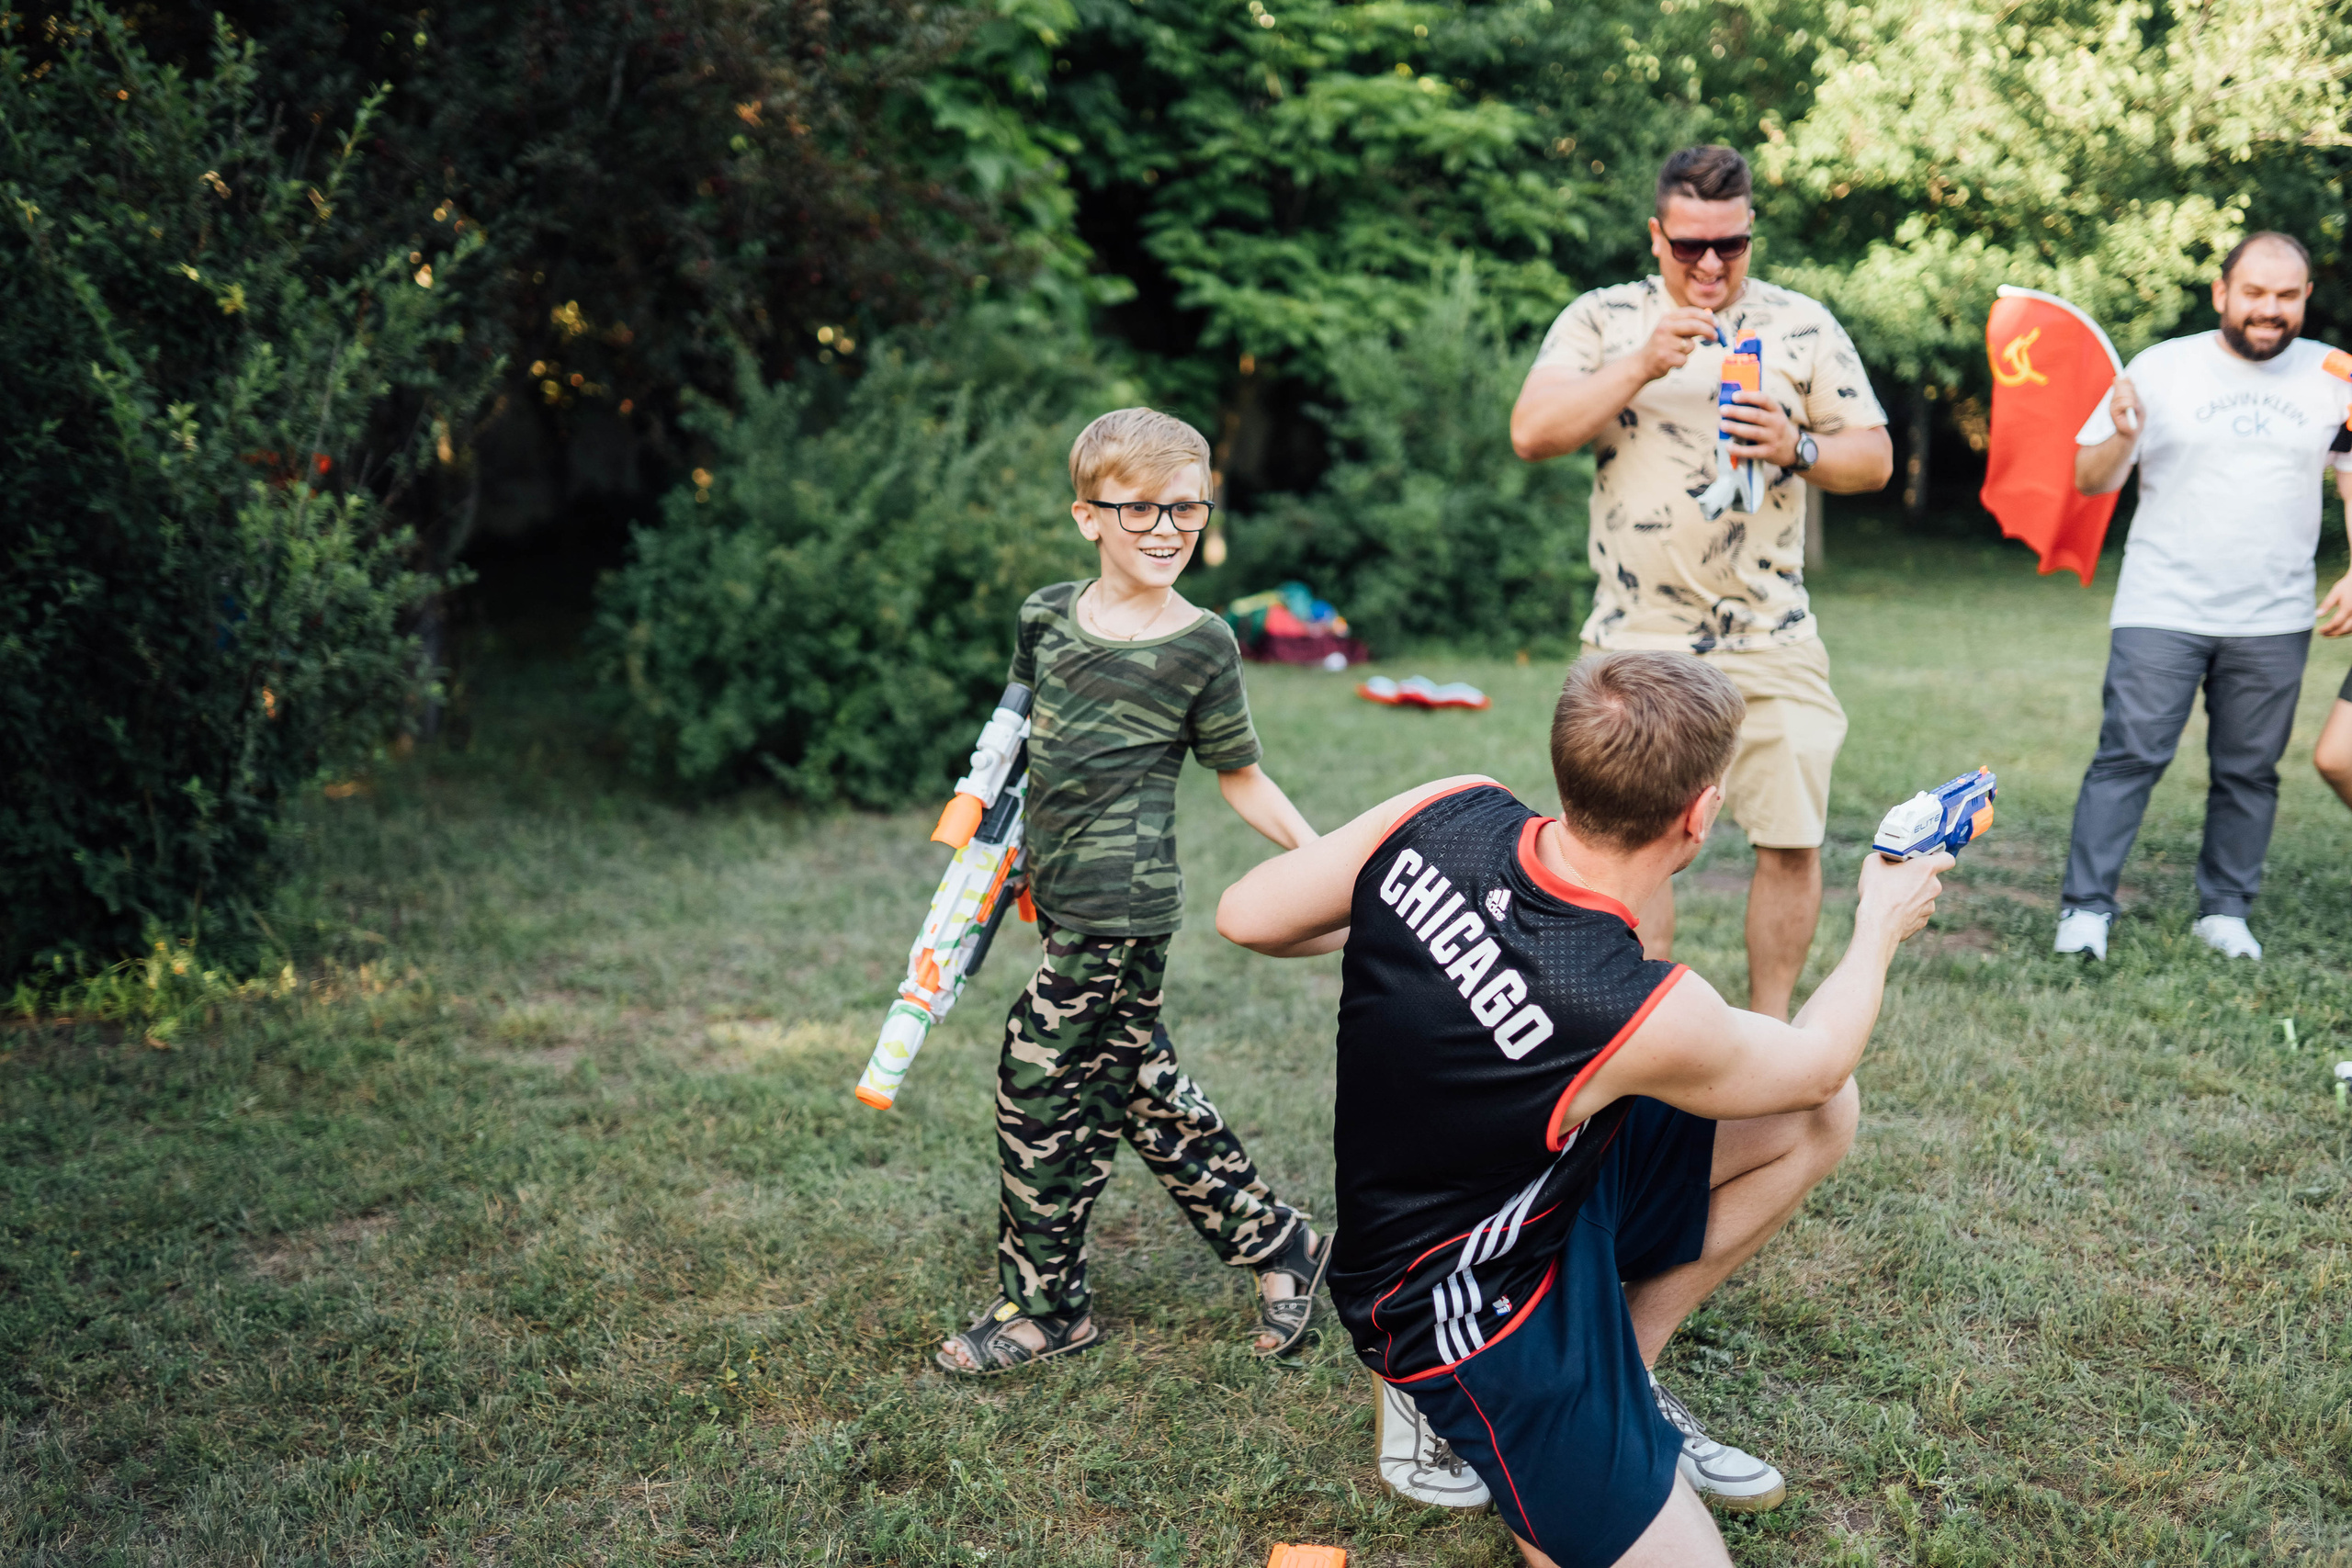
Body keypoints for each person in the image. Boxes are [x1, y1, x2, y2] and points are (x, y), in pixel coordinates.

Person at [1217, 652, 1949, 1567]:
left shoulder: (1452, 806)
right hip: (1457, 1300)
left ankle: (1624, 1376)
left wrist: (1418, 927)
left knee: (1817, 1117)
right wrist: (1880, 920)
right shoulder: (1630, 1004)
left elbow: (1246, 915)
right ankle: (1487, 1415)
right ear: (1701, 814)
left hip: (1535, 1181)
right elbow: (1816, 1056)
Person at [935, 408, 1335, 1374]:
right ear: (1088, 516)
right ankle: (1278, 1242)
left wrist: (1327, 860)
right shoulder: (1045, 618)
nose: (1166, 529)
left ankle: (1045, 1307)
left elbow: (1240, 773)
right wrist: (1000, 855)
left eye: (1187, 511)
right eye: (1142, 508)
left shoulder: (1200, 645)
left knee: (1039, 1088)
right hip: (1059, 896)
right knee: (1135, 1091)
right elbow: (1026, 739)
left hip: (1124, 913)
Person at [1510, 144, 1893, 1021]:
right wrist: (1641, 363)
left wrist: (1797, 446)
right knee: (1624, 849)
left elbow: (1873, 459)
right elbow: (1532, 431)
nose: (1711, 264)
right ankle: (1635, 1031)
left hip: (1771, 633)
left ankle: (1766, 1034)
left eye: (1731, 244)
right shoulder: (1605, 320)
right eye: (1689, 246)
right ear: (1656, 236)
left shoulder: (1801, 324)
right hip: (1634, 637)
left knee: (1790, 840)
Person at [2054, 231, 2352, 963]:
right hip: (2163, 607)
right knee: (2128, 756)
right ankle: (2085, 910)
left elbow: (2351, 472)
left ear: (2306, 298)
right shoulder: (2159, 369)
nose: (2269, 310)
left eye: (2286, 296)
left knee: (2249, 770)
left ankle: (2225, 910)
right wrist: (2120, 436)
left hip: (2275, 615)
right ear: (2222, 293)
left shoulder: (2337, 376)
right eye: (2254, 293)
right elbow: (2091, 480)